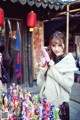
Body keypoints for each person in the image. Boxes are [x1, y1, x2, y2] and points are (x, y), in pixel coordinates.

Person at [37, 31, 78, 120]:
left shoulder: (68, 60)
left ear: (64, 44)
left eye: (59, 45)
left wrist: (52, 69)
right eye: (53, 45)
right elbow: (40, 85)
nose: (56, 49)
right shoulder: (48, 59)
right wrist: (43, 69)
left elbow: (68, 84)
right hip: (46, 102)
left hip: (60, 104)